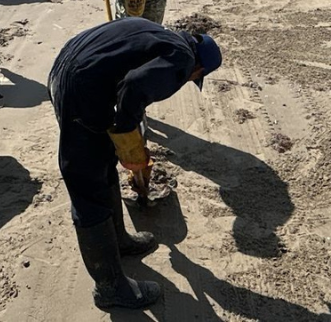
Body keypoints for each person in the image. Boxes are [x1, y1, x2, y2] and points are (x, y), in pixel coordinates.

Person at [47, 17, 223, 310]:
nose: (190, 79)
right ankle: (110, 287)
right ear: (199, 68)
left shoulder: (160, 34)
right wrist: (128, 134)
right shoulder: (181, 59)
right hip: (80, 88)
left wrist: (121, 130)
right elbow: (134, 86)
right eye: (195, 77)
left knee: (103, 159)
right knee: (87, 183)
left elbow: (126, 76)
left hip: (68, 69)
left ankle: (119, 240)